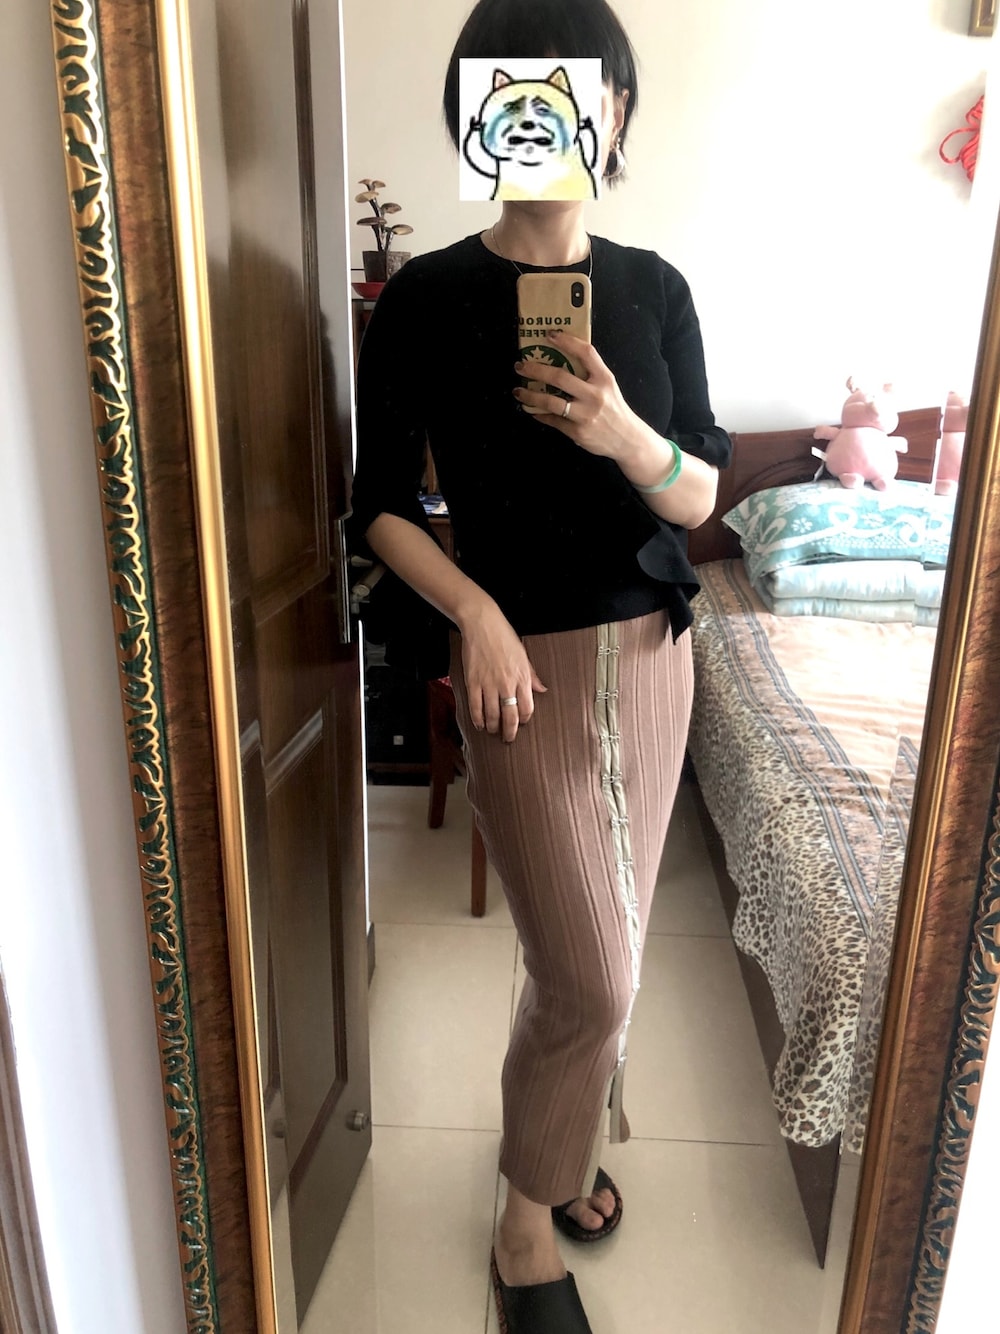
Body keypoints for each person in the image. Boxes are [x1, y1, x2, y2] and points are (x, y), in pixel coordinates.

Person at [349, 2, 731, 1328]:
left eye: (580, 88)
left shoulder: (655, 289)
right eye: (513, 87)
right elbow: (375, 507)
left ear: (613, 113)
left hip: (655, 656)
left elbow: (700, 494)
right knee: (593, 973)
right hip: (518, 672)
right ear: (479, 114)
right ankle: (523, 1230)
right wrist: (475, 611)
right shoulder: (426, 297)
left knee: (604, 942)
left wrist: (626, 432)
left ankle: (558, 1148)